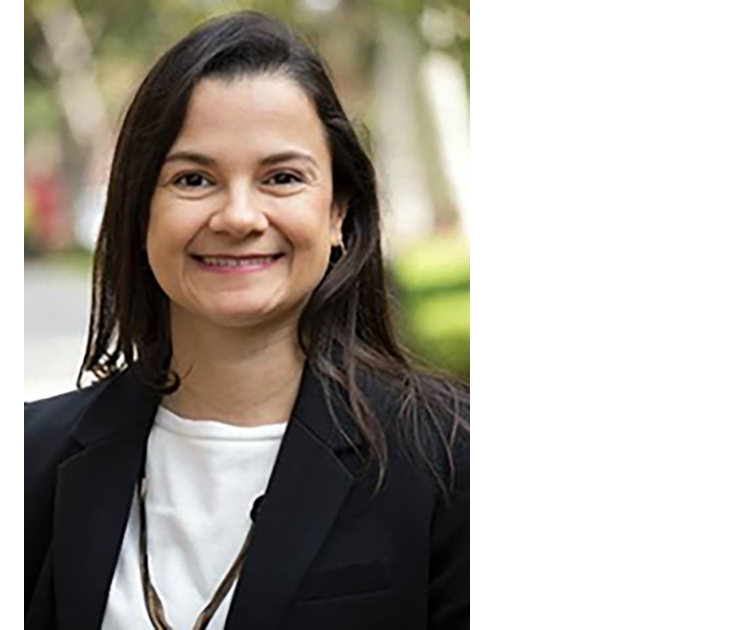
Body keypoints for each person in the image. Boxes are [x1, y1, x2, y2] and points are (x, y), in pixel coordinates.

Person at [26, 11, 469, 629]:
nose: (238, 216)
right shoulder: (28, 460)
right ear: (139, 211)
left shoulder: (452, 458)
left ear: (339, 211)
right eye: (194, 178)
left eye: (282, 178)